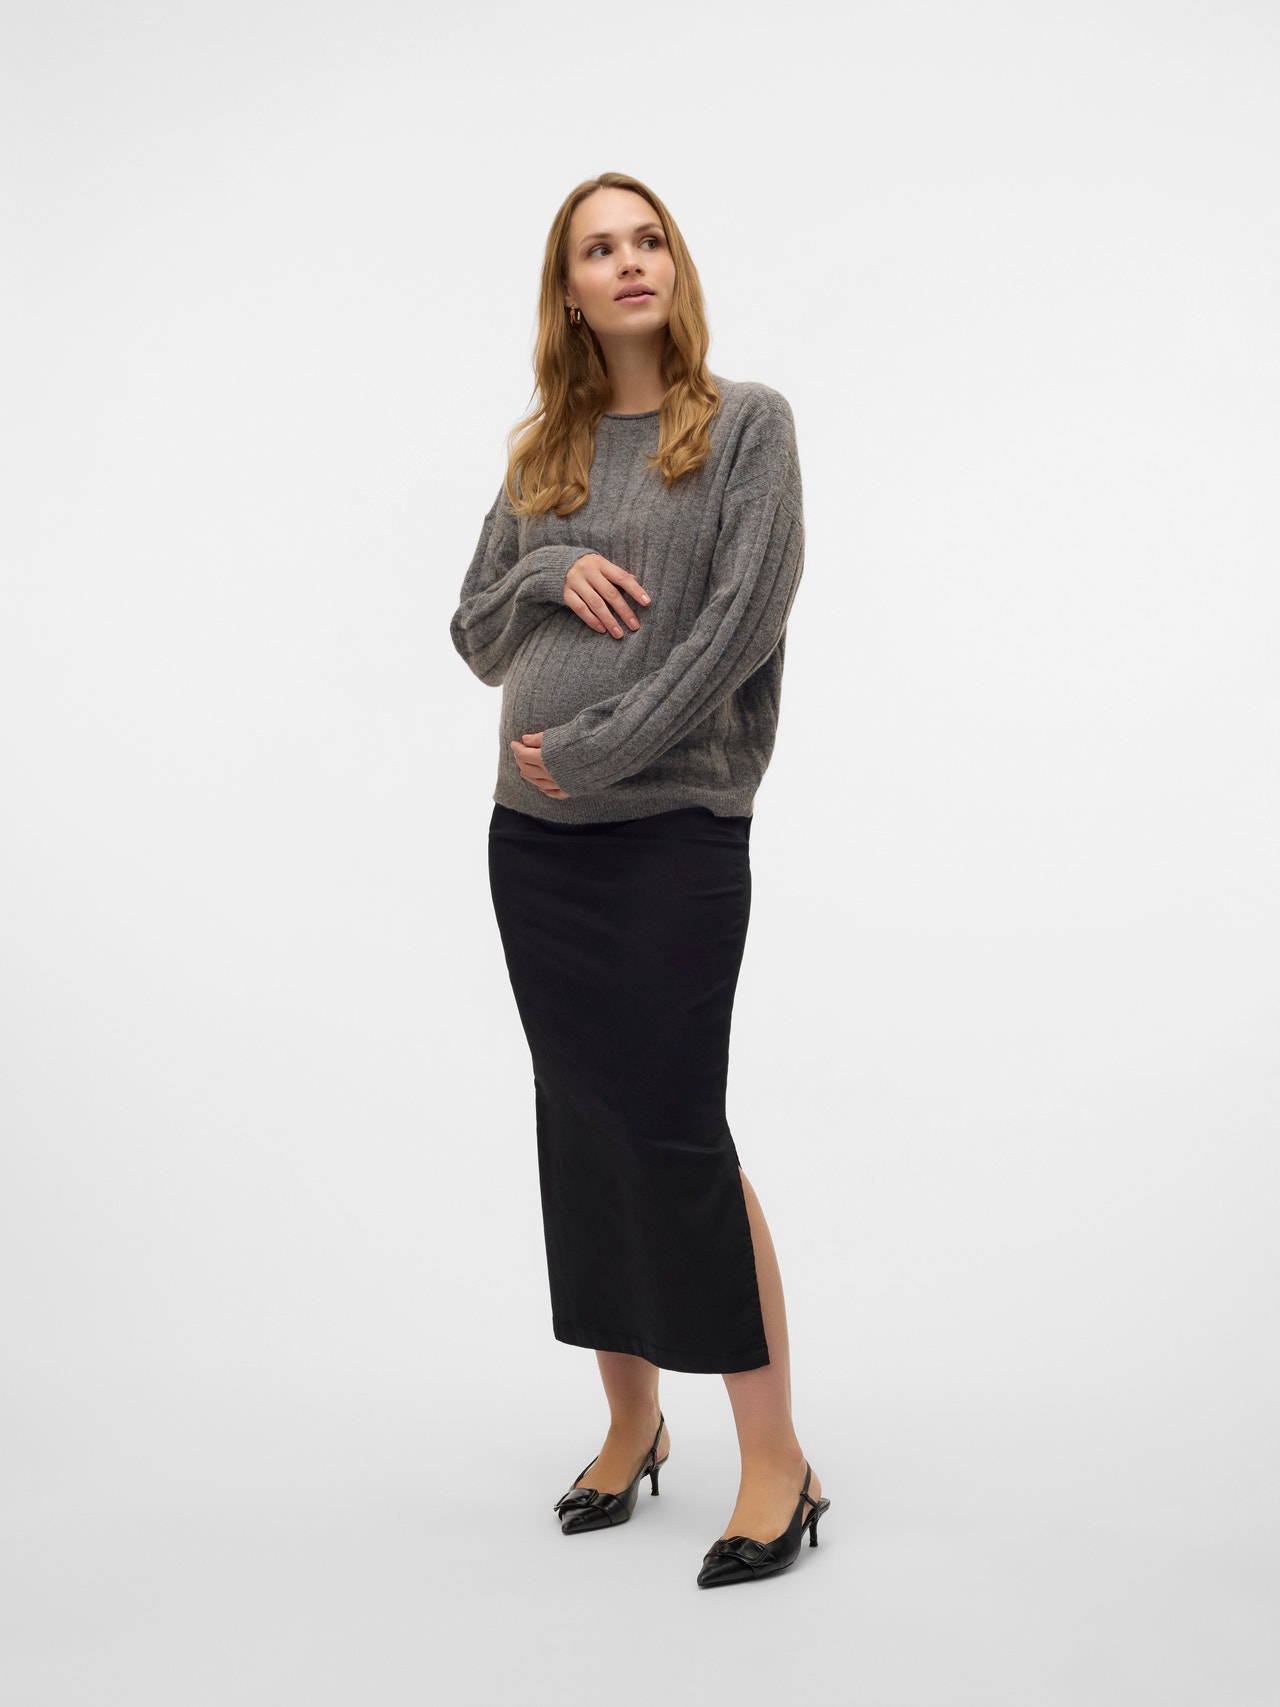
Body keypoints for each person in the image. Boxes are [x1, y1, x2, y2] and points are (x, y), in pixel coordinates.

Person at [449, 171, 830, 1587]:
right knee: (583, 1128)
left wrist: (596, 747)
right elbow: (474, 633)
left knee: (674, 1132)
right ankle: (631, 1424)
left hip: (672, 828)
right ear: (567, 289)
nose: (629, 263)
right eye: (598, 248)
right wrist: (547, 569)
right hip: (533, 844)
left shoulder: (745, 429)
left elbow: (739, 628)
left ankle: (777, 1461)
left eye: (648, 238)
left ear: (677, 264)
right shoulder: (542, 452)